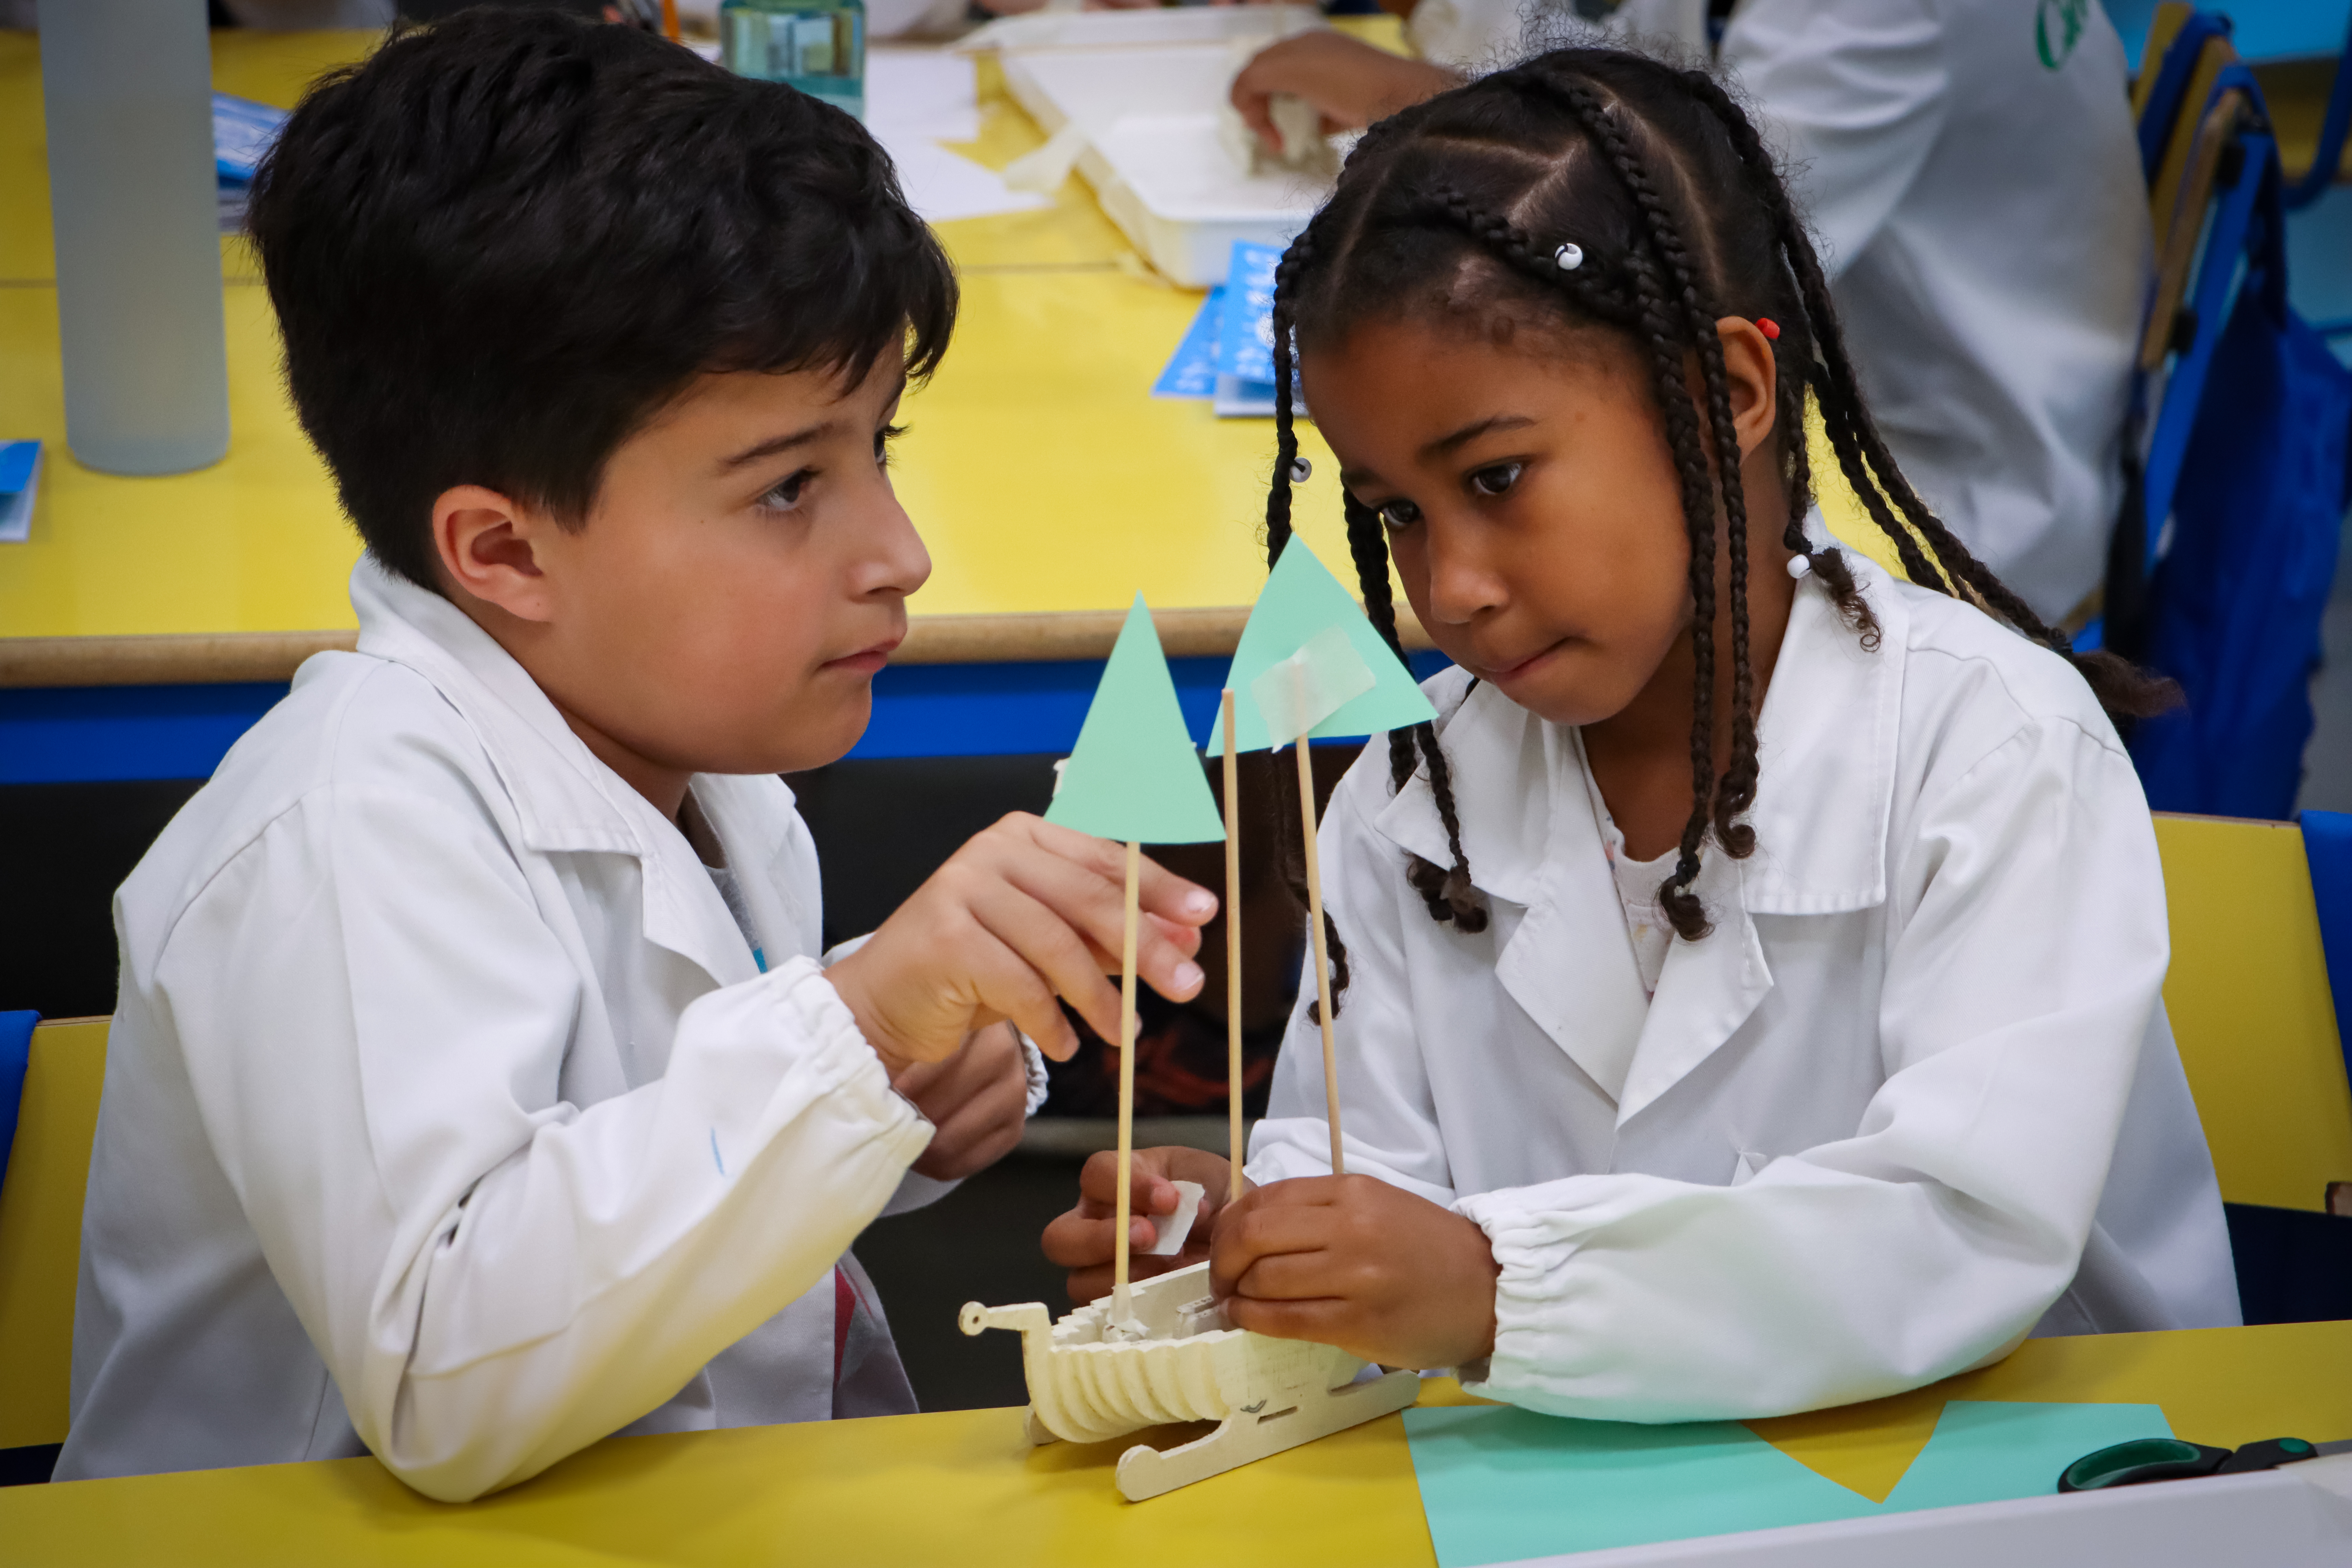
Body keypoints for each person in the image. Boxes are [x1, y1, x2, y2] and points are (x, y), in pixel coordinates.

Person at [59, 11, 1218, 1501]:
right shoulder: (343, 838)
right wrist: (856, 1027)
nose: (903, 554)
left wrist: (889, 1092)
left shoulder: (692, 758)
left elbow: (639, 1159)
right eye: (792, 484)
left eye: (883, 448)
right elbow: (442, 1375)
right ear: (502, 549)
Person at [1045, 46, 2237, 1423]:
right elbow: (1370, 1186)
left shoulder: (1992, 747)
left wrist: (1500, 1286)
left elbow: (1961, 1235)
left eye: (1500, 478)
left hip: (2025, 1477)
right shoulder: (1408, 796)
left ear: (1728, 391)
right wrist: (1255, 1247)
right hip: (1578, 1491)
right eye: (1399, 515)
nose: (1453, 588)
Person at [1233, 0, 2150, 626]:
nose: (1452, 589)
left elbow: (1689, 220)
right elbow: (1619, 71)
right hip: (1875, 393)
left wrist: (1403, 99)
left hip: (1958, 482)